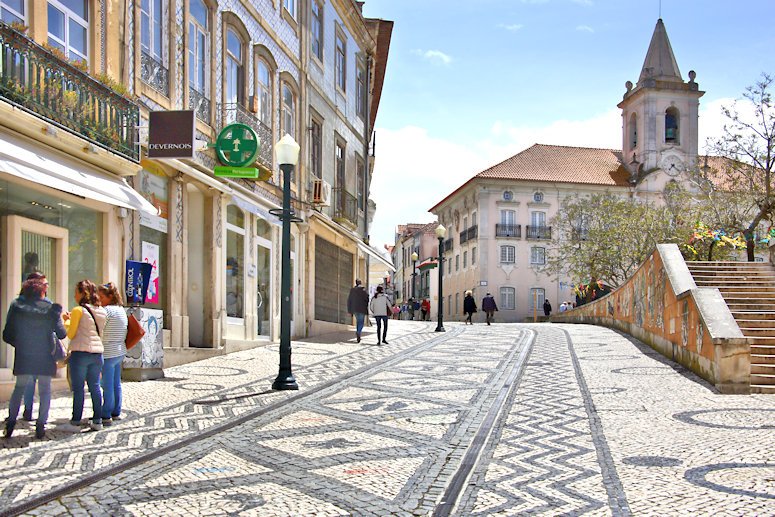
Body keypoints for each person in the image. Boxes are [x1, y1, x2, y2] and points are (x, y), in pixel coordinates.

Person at [2, 278, 67, 439]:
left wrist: (21, 344)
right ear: (41, 293)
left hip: (24, 355)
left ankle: (10, 423)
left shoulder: (17, 307)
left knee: (19, 389)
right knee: (45, 390)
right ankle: (40, 425)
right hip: (45, 356)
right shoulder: (50, 309)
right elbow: (62, 333)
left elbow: (7, 334)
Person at [60, 280, 107, 432]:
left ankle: (75, 420)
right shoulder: (101, 311)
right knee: (95, 387)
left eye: (76, 292)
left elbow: (71, 333)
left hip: (80, 353)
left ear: (83, 293)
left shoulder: (78, 310)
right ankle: (97, 420)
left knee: (79, 388)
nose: (74, 295)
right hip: (97, 353)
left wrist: (66, 321)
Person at [97, 283, 128, 425]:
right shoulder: (121, 310)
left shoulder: (107, 311)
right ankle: (116, 411)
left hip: (108, 352)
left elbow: (100, 328)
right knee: (116, 383)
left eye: (101, 297)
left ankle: (106, 413)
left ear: (110, 296)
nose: (99, 299)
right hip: (119, 351)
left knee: (107, 384)